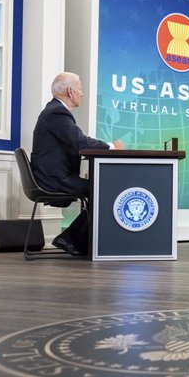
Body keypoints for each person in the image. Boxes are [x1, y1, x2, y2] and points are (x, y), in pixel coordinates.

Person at [31, 72, 125, 255]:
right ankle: (71, 239)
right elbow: (80, 142)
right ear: (70, 91)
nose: (82, 94)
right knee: (105, 190)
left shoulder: (54, 111)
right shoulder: (57, 112)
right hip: (54, 180)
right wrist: (113, 146)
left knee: (102, 188)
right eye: (80, 89)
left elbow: (76, 142)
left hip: (54, 176)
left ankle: (74, 240)